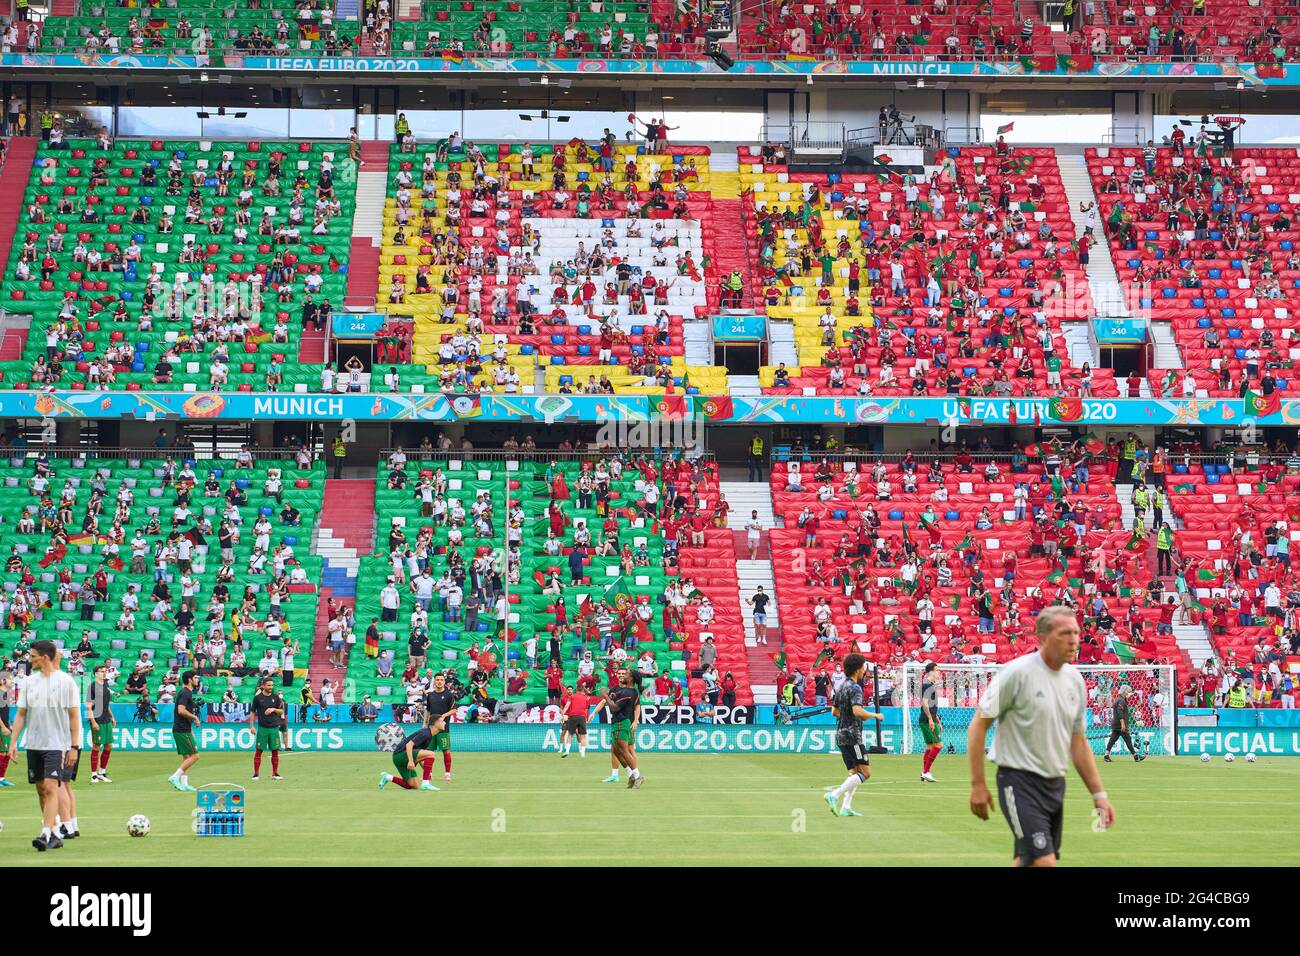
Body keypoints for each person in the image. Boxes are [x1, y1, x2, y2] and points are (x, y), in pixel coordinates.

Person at [967, 606, 1115, 866]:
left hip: (1055, 784)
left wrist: (1098, 794)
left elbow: (1078, 742)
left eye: (1076, 632)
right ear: (1043, 637)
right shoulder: (1017, 673)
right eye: (1064, 633)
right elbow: (979, 725)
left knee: (1027, 861)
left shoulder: (1075, 680)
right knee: (1044, 861)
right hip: (1018, 780)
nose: (1073, 639)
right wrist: (978, 784)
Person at [8, 640, 82, 850]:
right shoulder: (29, 683)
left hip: (57, 745)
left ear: (45, 657)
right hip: (34, 744)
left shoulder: (66, 682)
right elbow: (21, 714)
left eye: (32, 656)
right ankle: (56, 832)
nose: (29, 660)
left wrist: (74, 747)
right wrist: (13, 743)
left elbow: (74, 717)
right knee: (41, 789)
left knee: (51, 786)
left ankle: (45, 833)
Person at [823, 653, 883, 818]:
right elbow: (858, 712)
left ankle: (846, 807)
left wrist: (848, 714)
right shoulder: (855, 688)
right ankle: (834, 795)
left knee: (854, 773)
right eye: (863, 667)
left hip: (841, 734)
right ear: (857, 669)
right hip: (852, 735)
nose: (864, 670)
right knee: (865, 773)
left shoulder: (841, 686)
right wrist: (875, 715)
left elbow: (834, 711)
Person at [590, 667, 643, 787]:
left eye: (626, 674)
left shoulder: (628, 692)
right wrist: (610, 695)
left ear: (631, 679)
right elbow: (615, 698)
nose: (623, 676)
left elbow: (614, 707)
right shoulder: (630, 691)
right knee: (616, 751)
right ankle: (630, 775)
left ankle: (637, 776)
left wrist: (605, 695)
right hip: (617, 723)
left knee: (625, 751)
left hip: (622, 723)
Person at [379, 714, 447, 792]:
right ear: (436, 723)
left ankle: (388, 777)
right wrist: (411, 761)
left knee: (413, 785)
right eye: (442, 721)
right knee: (431, 753)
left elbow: (420, 753)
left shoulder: (429, 735)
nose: (444, 723)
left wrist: (425, 768)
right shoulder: (425, 733)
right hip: (400, 755)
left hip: (399, 758)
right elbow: (409, 745)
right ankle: (425, 783)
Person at [420, 672, 459, 786]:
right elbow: (427, 710)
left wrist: (443, 716)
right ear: (434, 681)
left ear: (444, 681)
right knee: (428, 752)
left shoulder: (448, 695)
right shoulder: (430, 695)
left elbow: (454, 710)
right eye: (437, 680)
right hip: (431, 729)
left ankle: (447, 773)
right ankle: (429, 773)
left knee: (446, 751)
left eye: (441, 680)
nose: (439, 681)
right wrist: (424, 723)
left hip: (443, 729)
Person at [167, 669, 202, 792]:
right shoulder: (185, 693)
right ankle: (175, 777)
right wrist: (195, 717)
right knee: (195, 756)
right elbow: (181, 710)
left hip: (183, 729)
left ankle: (184, 783)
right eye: (195, 678)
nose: (197, 680)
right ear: (189, 680)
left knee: (187, 757)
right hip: (182, 730)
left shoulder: (186, 693)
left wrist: (191, 728)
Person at [250, 677, 285, 781]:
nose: (271, 687)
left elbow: (281, 711)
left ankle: (275, 774)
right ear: (263, 686)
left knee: (275, 751)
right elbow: (252, 712)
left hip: (274, 728)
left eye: (272, 685)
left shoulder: (276, 697)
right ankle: (256, 774)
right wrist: (251, 726)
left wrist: (273, 709)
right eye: (269, 685)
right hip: (262, 728)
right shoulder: (257, 698)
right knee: (259, 751)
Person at [86, 664, 115, 783]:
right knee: (96, 746)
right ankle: (93, 774)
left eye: (105, 671)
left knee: (109, 745)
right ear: (96, 674)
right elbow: (88, 707)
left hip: (107, 719)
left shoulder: (106, 685)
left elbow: (107, 704)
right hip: (97, 719)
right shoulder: (92, 687)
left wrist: (112, 716)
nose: (104, 672)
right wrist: (93, 721)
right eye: (102, 671)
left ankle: (102, 772)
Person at [918, 660, 942, 783]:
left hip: (928, 719)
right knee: (939, 745)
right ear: (931, 671)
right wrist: (930, 719)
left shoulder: (929, 684)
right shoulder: (927, 684)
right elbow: (924, 703)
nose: (939, 672)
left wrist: (936, 718)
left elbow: (931, 704)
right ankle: (926, 772)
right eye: (937, 670)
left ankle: (924, 772)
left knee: (930, 746)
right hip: (927, 720)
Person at [1104, 689, 1143, 763]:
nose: (1129, 693)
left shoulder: (1118, 699)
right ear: (1124, 692)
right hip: (1120, 725)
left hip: (1116, 723)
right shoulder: (1121, 701)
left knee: (1112, 739)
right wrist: (1122, 724)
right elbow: (1119, 712)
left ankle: (1106, 755)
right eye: (1128, 692)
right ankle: (1136, 756)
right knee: (1128, 739)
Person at [560, 684, 592, 758]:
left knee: (570, 734)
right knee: (583, 736)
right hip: (582, 717)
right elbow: (587, 710)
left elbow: (567, 705)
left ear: (576, 690)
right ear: (583, 690)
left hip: (573, 716)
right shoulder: (586, 698)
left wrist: (562, 714)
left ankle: (567, 751)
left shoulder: (572, 696)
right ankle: (583, 754)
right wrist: (587, 719)